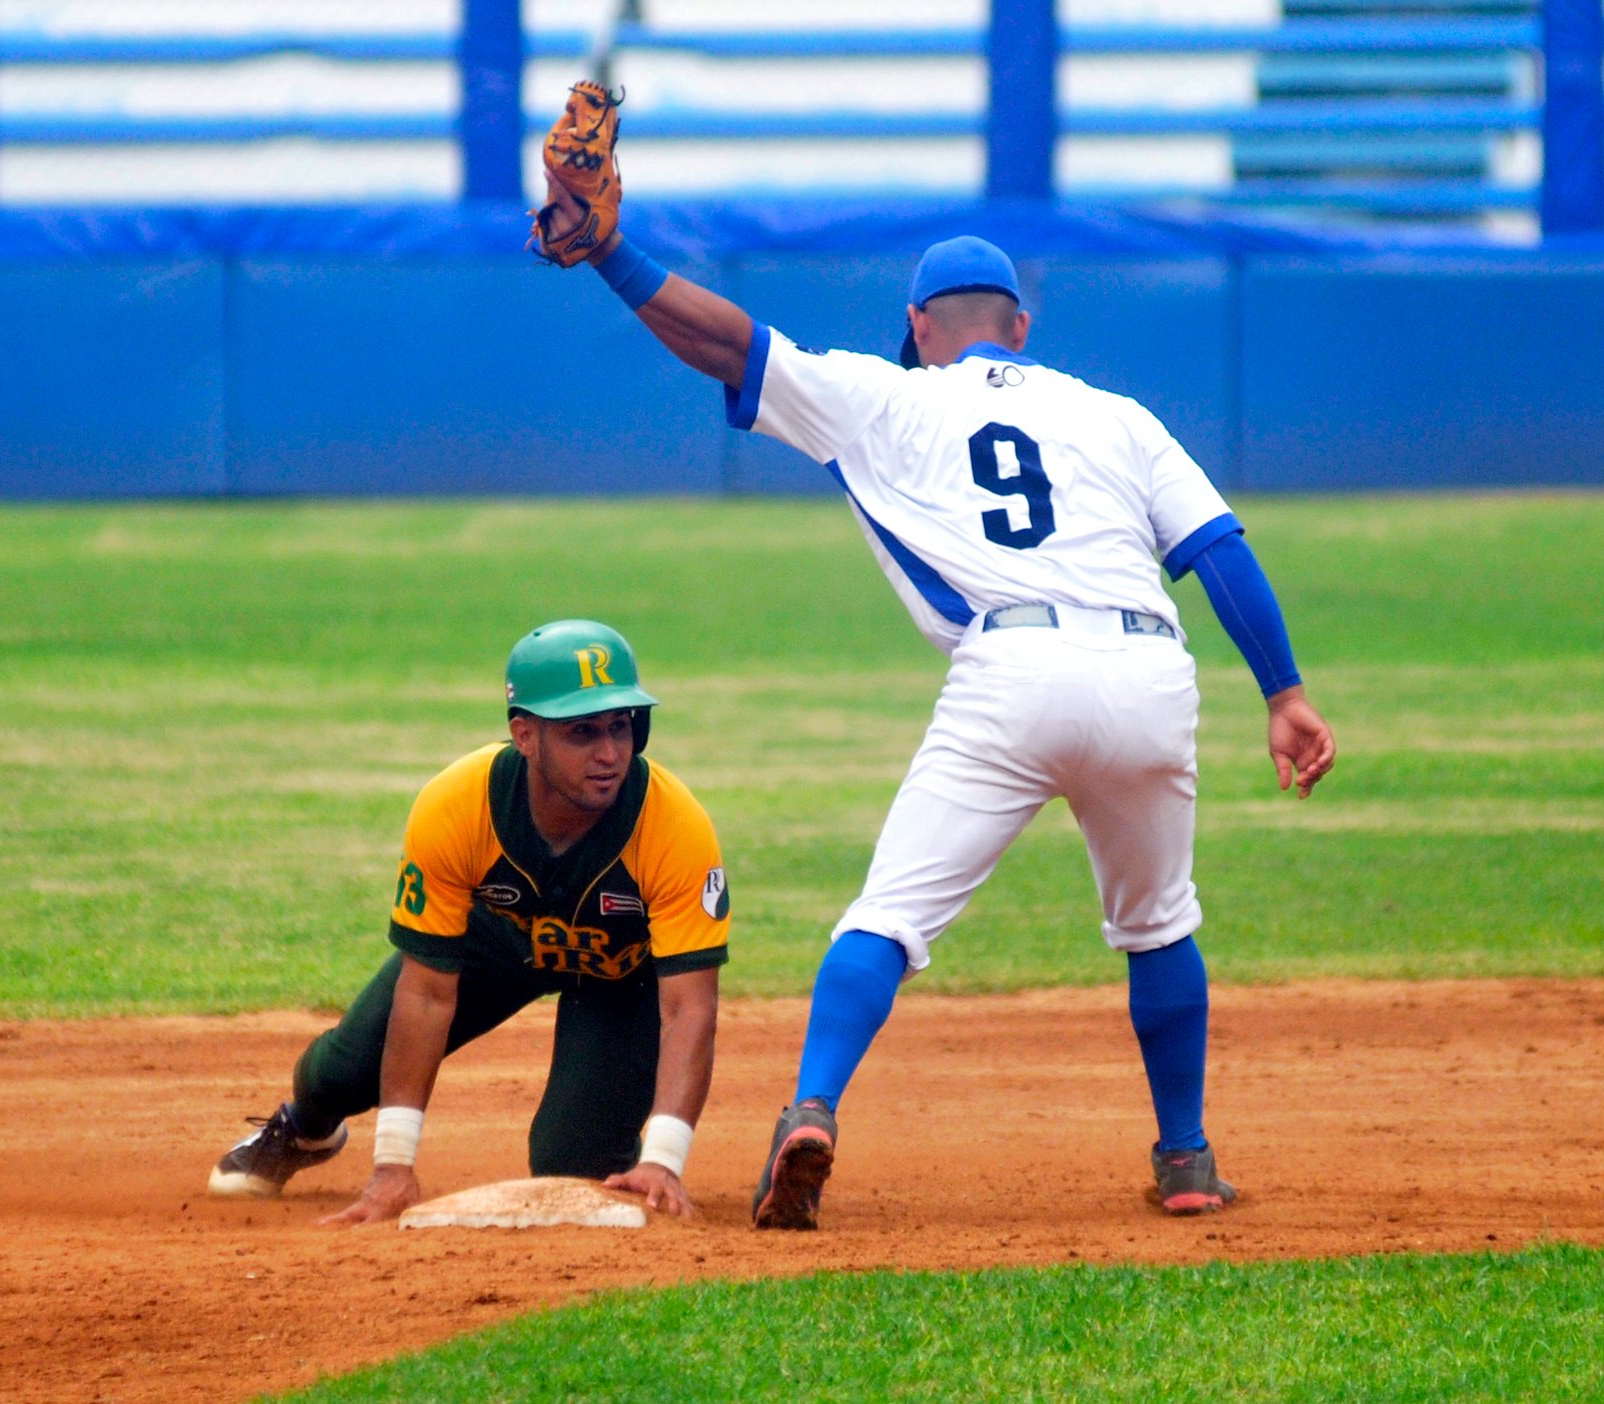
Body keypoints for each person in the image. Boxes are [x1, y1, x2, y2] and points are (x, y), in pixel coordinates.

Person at [535, 164, 1336, 1229]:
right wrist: (1283, 693)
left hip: (1012, 672)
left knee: (892, 916)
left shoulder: (888, 392)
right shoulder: (1116, 415)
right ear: (1022, 324)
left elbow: (726, 343)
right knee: (1158, 925)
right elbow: (1217, 550)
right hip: (1150, 669)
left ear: (918, 326)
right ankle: (1186, 1160)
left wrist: (608, 255)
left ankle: (811, 1110)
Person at [207, 619, 731, 1224]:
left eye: (620, 727)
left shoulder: (674, 826)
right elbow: (427, 993)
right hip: (499, 940)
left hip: (622, 973)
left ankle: (623, 1154)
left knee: (572, 1162)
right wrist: (393, 1166)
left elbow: (689, 1008)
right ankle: (304, 1129)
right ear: (525, 735)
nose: (609, 753)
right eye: (581, 732)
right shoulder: (459, 804)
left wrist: (665, 1157)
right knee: (341, 1072)